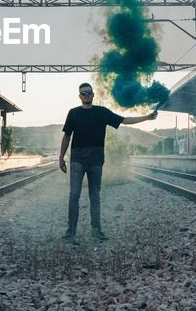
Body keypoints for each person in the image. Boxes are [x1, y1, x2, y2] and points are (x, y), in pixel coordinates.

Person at [59, 82, 157, 241]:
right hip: (77, 158)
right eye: (83, 93)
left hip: (96, 160)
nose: (86, 95)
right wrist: (61, 157)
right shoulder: (73, 113)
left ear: (93, 94)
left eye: (89, 92)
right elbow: (67, 136)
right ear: (79, 96)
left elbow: (124, 120)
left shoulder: (102, 112)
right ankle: (71, 230)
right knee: (74, 194)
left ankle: (96, 230)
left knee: (95, 196)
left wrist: (146, 117)